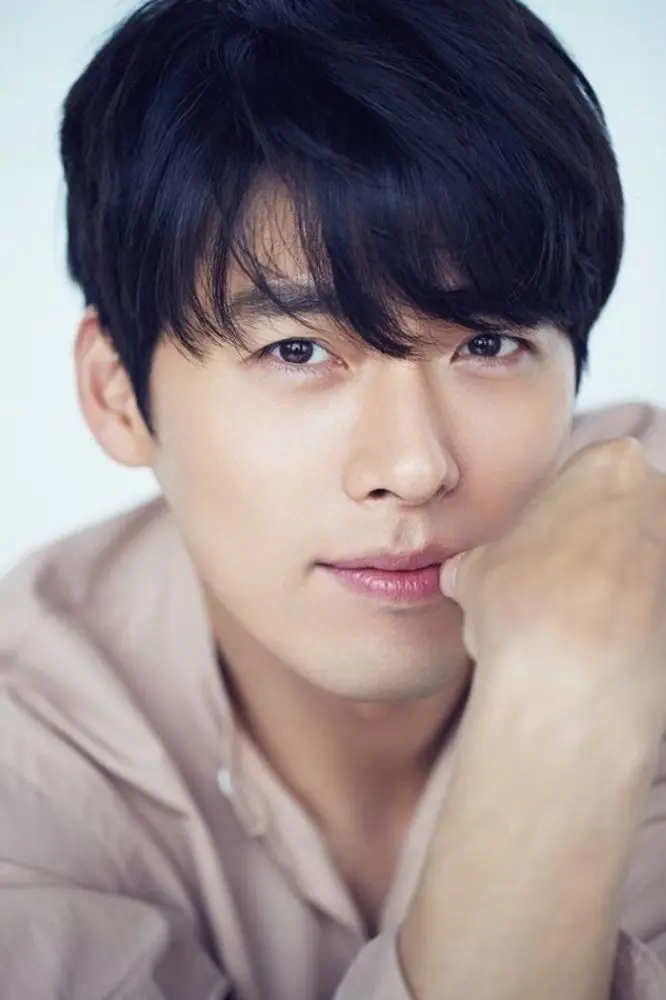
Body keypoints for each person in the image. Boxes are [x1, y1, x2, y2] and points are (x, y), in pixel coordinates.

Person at [2, 0, 666, 996]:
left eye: (487, 343)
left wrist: (580, 678)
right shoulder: (28, 753)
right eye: (296, 350)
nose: (414, 465)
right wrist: (559, 716)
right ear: (118, 394)